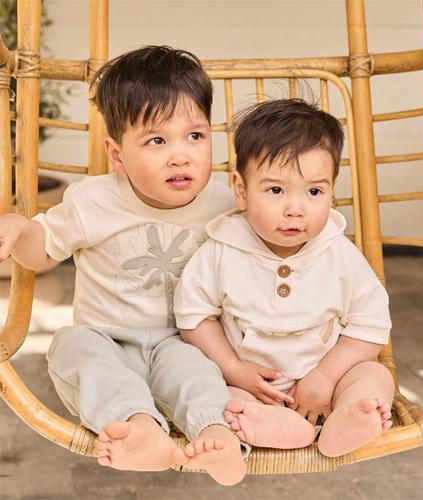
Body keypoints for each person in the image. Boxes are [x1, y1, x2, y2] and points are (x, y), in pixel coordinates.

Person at [0, 45, 248, 485]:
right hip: (106, 337)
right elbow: (43, 251)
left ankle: (219, 437)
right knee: (72, 348)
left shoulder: (226, 205)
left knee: (200, 375)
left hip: (184, 341)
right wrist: (20, 230)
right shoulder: (94, 200)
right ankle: (140, 428)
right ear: (117, 155)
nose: (180, 155)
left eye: (195, 136)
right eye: (157, 141)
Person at [174, 98, 395, 456]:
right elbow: (194, 317)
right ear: (241, 190)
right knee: (212, 392)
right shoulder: (222, 250)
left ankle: (349, 419)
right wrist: (233, 368)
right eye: (276, 190)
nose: (296, 209)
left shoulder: (339, 254)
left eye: (314, 191)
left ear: (332, 190)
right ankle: (274, 424)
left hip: (328, 381)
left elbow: (369, 326)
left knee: (375, 376)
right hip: (251, 385)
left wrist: (325, 377)